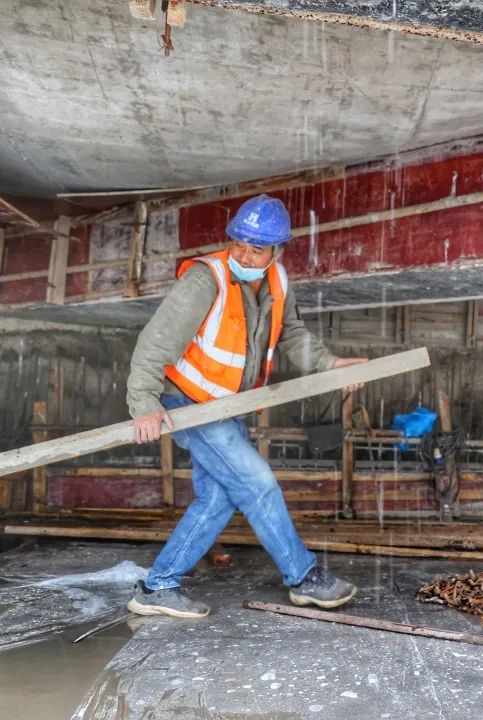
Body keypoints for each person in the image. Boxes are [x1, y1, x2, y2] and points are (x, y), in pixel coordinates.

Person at [125, 194, 366, 619]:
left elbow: (292, 334)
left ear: (277, 251)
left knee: (218, 498)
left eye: (256, 248)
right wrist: (144, 401)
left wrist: (330, 364)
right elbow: (155, 342)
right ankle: (303, 577)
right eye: (238, 242)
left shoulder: (277, 282)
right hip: (189, 403)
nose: (243, 253)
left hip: (223, 408)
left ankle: (157, 587)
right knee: (256, 482)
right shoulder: (206, 279)